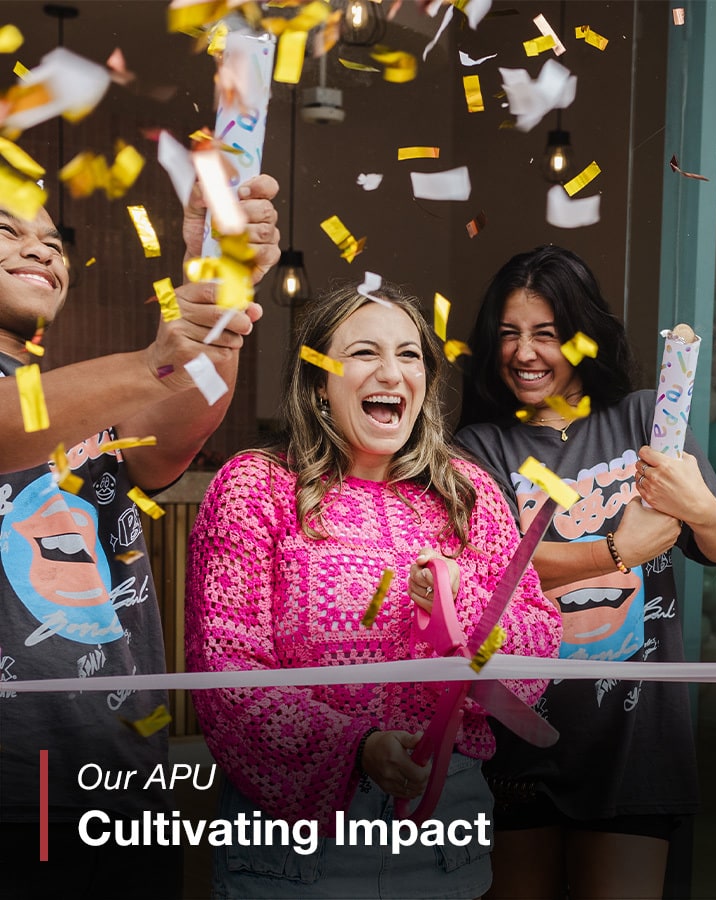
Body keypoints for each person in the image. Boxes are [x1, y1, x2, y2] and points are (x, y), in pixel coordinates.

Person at [184, 282, 562, 899]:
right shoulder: (256, 488)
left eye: (410, 355)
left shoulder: (468, 494)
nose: (392, 372)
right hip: (296, 848)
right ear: (318, 383)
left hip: (445, 829)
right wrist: (356, 749)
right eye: (364, 353)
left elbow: (533, 649)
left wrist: (457, 604)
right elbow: (227, 674)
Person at [0, 174, 279, 899]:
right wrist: (153, 362)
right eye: (7, 232)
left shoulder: (87, 401)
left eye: (53, 243)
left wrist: (215, 276)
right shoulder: (73, 394)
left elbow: (189, 419)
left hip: (123, 774)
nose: (39, 250)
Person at [454, 245, 716, 900]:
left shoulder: (646, 419)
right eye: (509, 334)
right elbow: (492, 574)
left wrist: (693, 504)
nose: (524, 353)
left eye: (545, 334)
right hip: (516, 737)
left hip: (635, 740)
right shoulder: (480, 447)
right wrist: (618, 550)